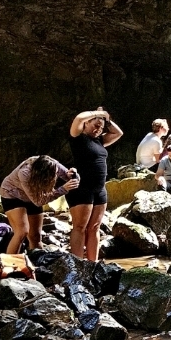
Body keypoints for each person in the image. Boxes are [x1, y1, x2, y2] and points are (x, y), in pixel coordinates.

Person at [67, 108, 122, 261]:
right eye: (95, 125)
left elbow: (118, 133)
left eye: (101, 127)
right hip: (82, 188)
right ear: (86, 124)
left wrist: (106, 120)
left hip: (99, 189)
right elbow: (79, 118)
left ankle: (93, 263)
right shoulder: (78, 137)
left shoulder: (100, 140)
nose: (98, 129)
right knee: (79, 227)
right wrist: (99, 114)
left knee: (94, 227)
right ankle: (78, 264)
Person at [0, 156, 80, 254]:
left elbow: (72, 179)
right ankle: (9, 261)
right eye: (51, 176)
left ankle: (38, 260)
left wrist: (74, 175)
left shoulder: (53, 165)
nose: (54, 177)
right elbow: (39, 202)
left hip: (34, 196)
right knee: (22, 232)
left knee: (35, 236)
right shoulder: (25, 173)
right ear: (41, 175)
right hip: (12, 195)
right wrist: (63, 189)